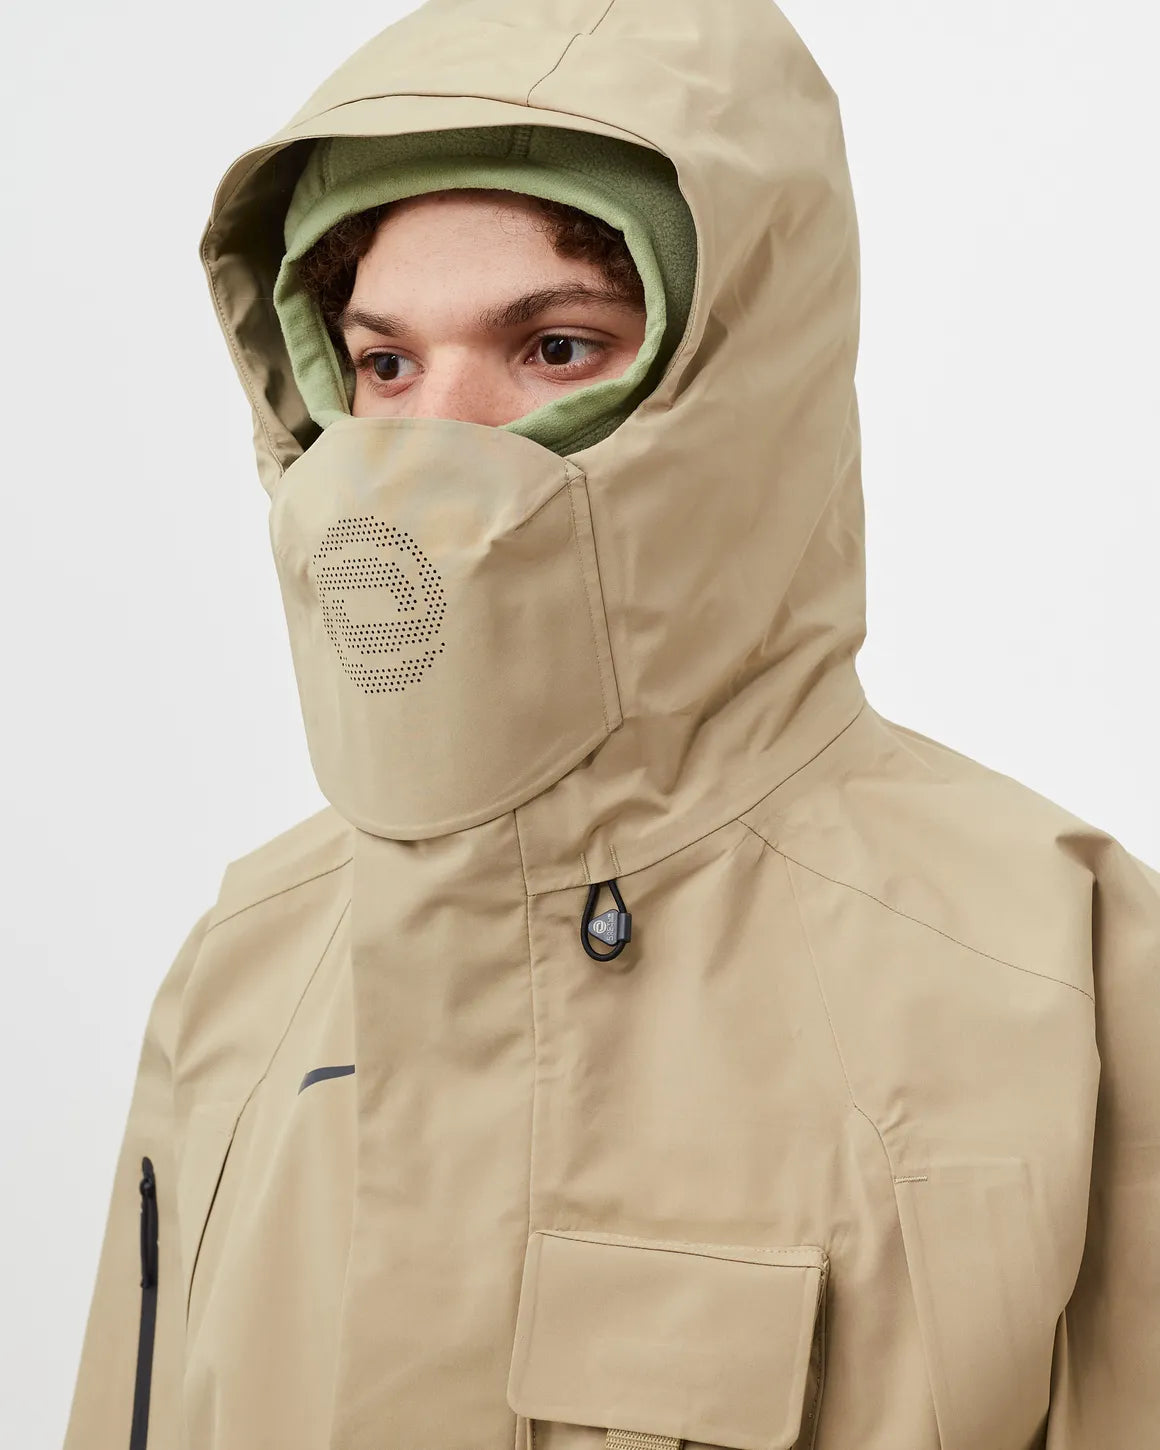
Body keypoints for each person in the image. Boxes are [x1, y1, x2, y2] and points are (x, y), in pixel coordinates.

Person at [65, 0, 1159, 1447]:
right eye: (385, 364)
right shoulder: (244, 965)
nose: (429, 446)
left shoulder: (1061, 970)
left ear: (742, 380)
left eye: (558, 346)